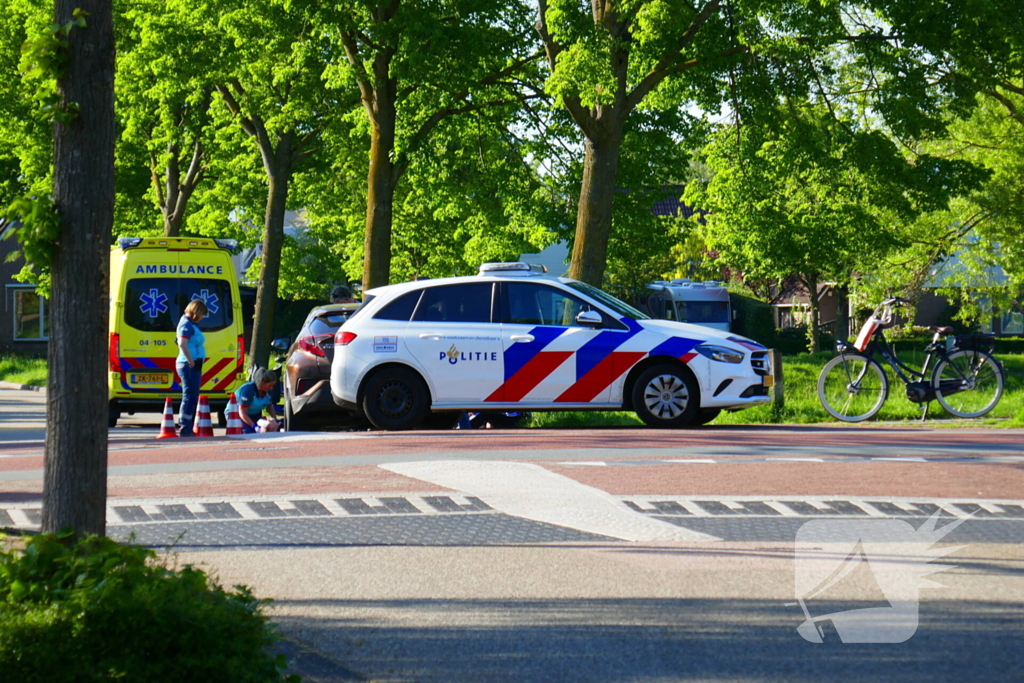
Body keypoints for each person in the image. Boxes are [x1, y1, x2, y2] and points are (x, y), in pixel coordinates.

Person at [176, 299, 208, 437]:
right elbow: (182, 343)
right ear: (197, 312)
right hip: (188, 364)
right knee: (189, 396)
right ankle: (185, 427)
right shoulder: (186, 325)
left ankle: (186, 425)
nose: (202, 318)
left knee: (192, 395)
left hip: (192, 363)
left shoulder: (190, 324)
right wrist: (191, 360)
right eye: (202, 315)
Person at [236, 368, 281, 433]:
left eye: (273, 385)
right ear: (261, 383)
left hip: (255, 415)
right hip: (237, 415)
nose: (271, 388)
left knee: (268, 428)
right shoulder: (247, 390)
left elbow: (269, 407)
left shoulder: (268, 391)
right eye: (270, 385)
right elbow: (242, 413)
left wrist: (275, 420)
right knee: (248, 432)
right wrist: (254, 426)